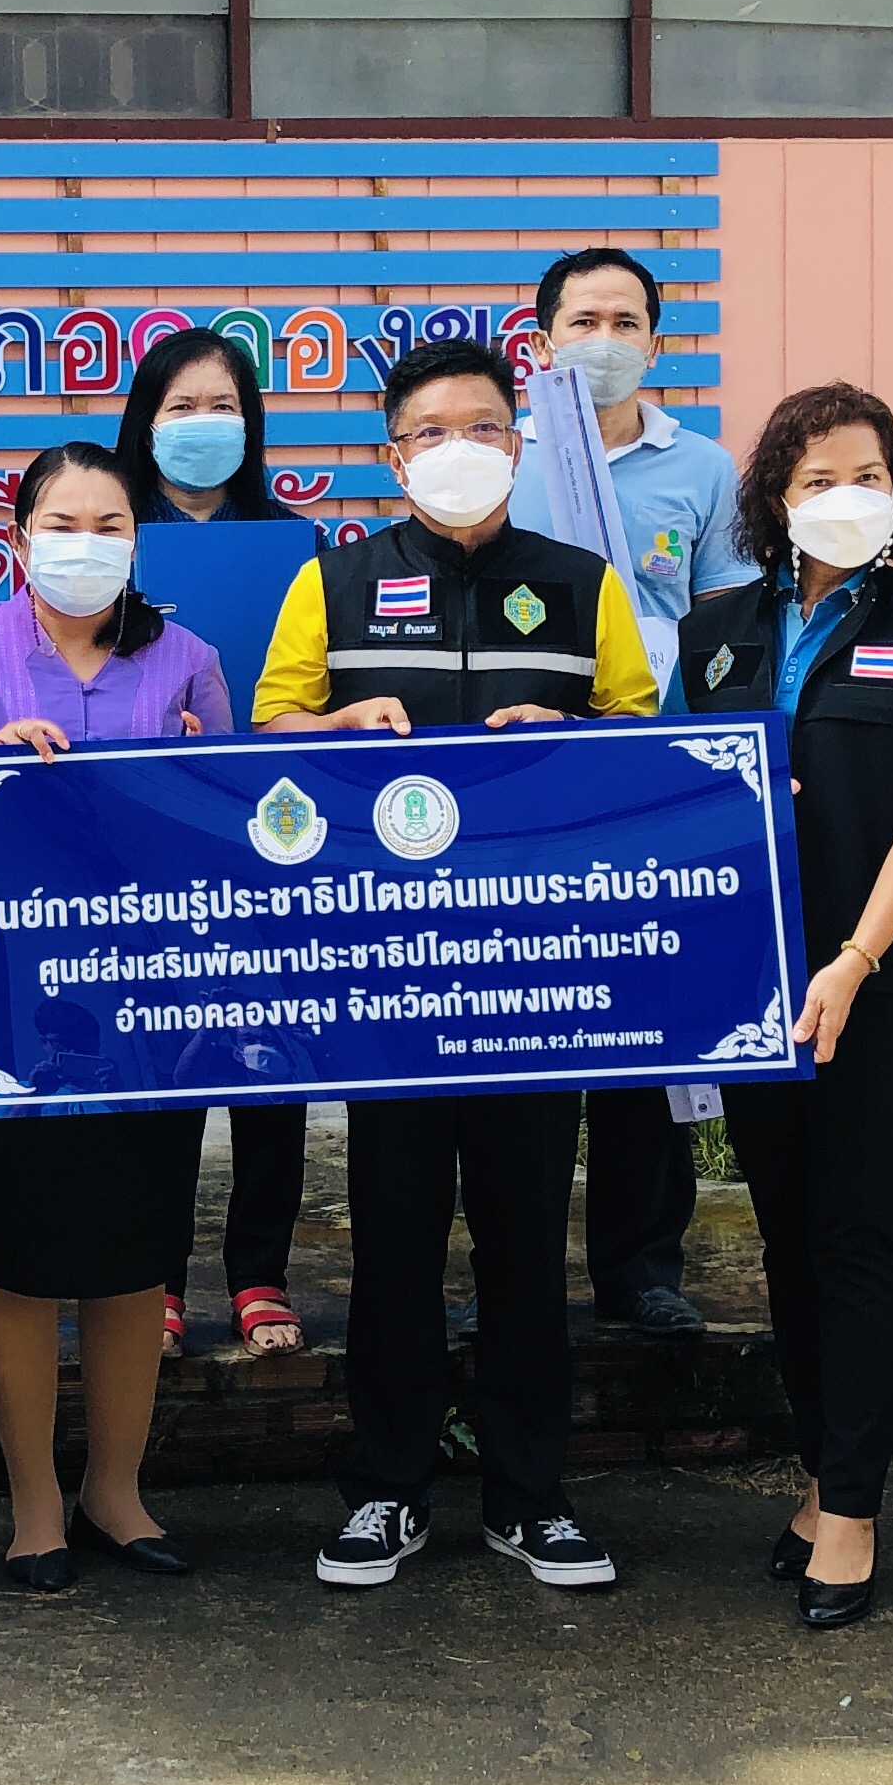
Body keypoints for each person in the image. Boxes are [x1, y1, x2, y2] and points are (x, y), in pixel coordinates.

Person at [256, 334, 659, 1591]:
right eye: (429, 433)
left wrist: (572, 732)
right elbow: (269, 726)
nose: (457, 450)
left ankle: (531, 1498)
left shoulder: (582, 583)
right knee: (393, 1243)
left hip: (535, 974)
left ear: (518, 444)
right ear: (394, 457)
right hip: (390, 974)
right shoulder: (335, 579)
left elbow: (646, 737)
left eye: (482, 427)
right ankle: (389, 1489)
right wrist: (337, 723)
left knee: (527, 1242)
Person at [671, 384, 893, 1629]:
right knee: (789, 1241)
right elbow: (671, 792)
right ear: (775, 500)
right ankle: (820, 1477)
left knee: (858, 1239)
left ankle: (853, 1509)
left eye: (868, 476)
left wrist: (853, 961)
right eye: (817, 480)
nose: (844, 498)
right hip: (755, 982)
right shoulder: (714, 631)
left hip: (875, 981)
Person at [0, 442, 231, 1590]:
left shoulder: (187, 660)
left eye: (110, 525)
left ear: (138, 541)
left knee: (135, 1255)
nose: (86, 545)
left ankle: (115, 1491)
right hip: (9, 1007)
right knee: (20, 1255)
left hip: (152, 1005)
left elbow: (232, 834)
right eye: (63, 524)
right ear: (18, 537)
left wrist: (201, 785)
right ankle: (35, 1502)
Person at [509, 247, 761, 1341]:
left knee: (649, 1021)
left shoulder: (703, 469)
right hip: (522, 785)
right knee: (524, 1026)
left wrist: (720, 762)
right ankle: (515, 1270)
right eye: (583, 321)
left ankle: (642, 1265)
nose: (604, 340)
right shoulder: (498, 457)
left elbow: (731, 628)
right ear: (542, 341)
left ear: (657, 343)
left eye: (625, 322)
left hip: (656, 780)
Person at [112, 325, 314, 1358]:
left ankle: (260, 1272)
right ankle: (151, 1276)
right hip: (146, 834)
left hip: (272, 825)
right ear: (145, 424)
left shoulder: (296, 546)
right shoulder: (105, 539)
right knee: (161, 1059)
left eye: (223, 407)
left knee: (271, 1059)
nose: (203, 426)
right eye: (180, 407)